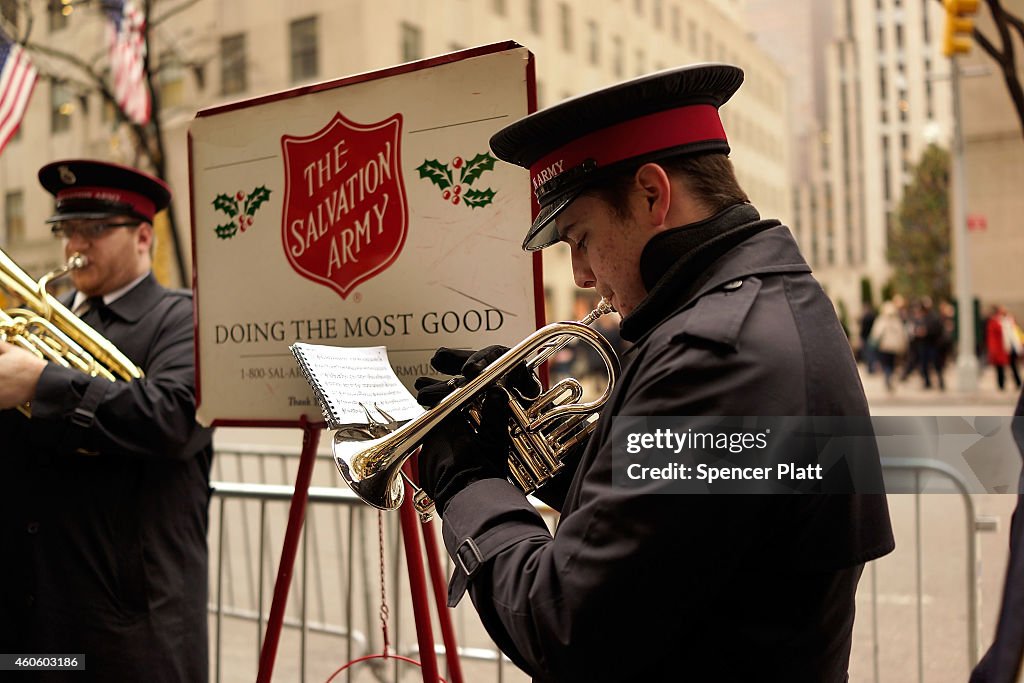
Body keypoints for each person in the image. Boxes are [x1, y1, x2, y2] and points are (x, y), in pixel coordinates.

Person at [413, 64, 894, 681]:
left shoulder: (716, 354)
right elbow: (687, 524)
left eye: (580, 237)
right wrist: (528, 448)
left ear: (651, 194)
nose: (581, 274)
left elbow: (561, 623)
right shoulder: (761, 305)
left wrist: (466, 485)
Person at [0, 160, 213, 681]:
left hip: (128, 629)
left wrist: (40, 383)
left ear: (144, 236)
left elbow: (175, 418)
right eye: (67, 229)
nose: (76, 244)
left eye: (95, 230)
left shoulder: (184, 319)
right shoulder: (44, 320)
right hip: (34, 618)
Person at [870, 300, 908, 392]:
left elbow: (876, 334)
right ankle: (889, 379)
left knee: (887, 364)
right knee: (891, 364)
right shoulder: (897, 321)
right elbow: (903, 335)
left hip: (885, 347)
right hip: (894, 347)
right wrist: (903, 346)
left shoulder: (882, 320)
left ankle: (888, 379)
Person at [987, 305, 1023, 391]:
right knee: (1000, 368)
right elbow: (992, 337)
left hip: (1010, 347)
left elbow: (1015, 334)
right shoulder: (994, 322)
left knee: (1013, 366)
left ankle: (1018, 383)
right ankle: (1001, 385)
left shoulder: (1009, 321)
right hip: (1000, 348)